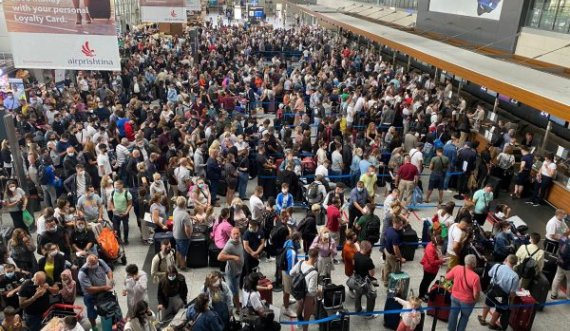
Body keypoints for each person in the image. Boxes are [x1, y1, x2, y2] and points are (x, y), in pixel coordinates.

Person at [478, 255, 519, 330]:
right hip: (500, 296)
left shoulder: (497, 266)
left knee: (488, 303)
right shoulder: (515, 276)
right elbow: (512, 293)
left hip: (492, 290)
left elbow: (489, 274)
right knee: (499, 309)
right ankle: (492, 323)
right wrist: (511, 304)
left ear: (506, 259)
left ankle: (483, 319)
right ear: (515, 263)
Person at [446, 254, 481, 331]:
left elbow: (447, 277)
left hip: (455, 297)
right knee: (464, 317)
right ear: (474, 264)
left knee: (453, 315)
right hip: (467, 301)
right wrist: (476, 300)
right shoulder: (476, 277)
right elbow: (476, 294)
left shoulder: (457, 268)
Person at [78, 254, 114, 329]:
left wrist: (110, 280)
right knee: (91, 312)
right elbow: (89, 289)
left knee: (106, 308)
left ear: (97, 260)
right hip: (90, 295)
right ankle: (94, 327)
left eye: (95, 263)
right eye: (92, 264)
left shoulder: (100, 262)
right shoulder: (82, 273)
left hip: (103, 291)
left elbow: (108, 271)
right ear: (87, 263)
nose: (94, 265)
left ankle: (107, 324)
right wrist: (104, 287)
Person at [290, 248, 319, 331]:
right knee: (307, 314)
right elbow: (311, 291)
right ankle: (304, 329)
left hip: (298, 292)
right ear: (316, 257)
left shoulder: (300, 262)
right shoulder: (314, 272)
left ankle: (298, 321)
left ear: (308, 255)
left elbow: (291, 272)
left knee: (300, 305)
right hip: (307, 296)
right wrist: (319, 291)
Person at [218, 227, 244, 310]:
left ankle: (235, 303)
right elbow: (220, 257)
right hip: (232, 273)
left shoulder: (239, 240)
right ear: (231, 235)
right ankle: (237, 308)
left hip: (238, 271)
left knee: (235, 290)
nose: (236, 235)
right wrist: (233, 257)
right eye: (234, 234)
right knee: (234, 291)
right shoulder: (229, 245)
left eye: (237, 233)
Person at [351, 240, 377, 317]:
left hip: (357, 279)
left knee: (358, 294)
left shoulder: (356, 255)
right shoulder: (368, 260)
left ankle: (358, 309)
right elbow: (372, 274)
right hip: (366, 281)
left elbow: (353, 265)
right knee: (371, 296)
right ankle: (369, 314)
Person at [280, 232, 301, 317]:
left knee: (285, 288)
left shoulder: (288, 242)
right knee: (287, 291)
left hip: (283, 269)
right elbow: (292, 270)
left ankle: (287, 301)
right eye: (299, 241)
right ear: (296, 240)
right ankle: (286, 309)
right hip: (288, 273)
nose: (299, 243)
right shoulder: (292, 252)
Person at [419, 235, 446, 301]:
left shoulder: (432, 245)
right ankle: (421, 295)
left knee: (427, 282)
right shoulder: (430, 248)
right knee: (425, 282)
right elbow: (432, 262)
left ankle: (424, 292)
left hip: (433, 268)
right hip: (429, 269)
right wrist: (441, 261)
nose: (441, 246)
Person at [383, 216, 406, 286]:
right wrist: (400, 258)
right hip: (392, 255)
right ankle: (394, 285)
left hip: (386, 251)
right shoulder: (395, 235)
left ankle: (385, 281)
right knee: (396, 270)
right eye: (400, 224)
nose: (402, 226)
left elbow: (385, 236)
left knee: (387, 267)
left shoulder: (389, 229)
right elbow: (396, 249)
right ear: (396, 223)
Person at [109, 180, 133, 245]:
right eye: (115, 186)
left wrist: (126, 212)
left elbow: (130, 204)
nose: (116, 187)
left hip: (124, 213)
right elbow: (110, 201)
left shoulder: (127, 194)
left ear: (121, 185)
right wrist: (113, 209)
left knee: (125, 228)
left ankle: (126, 239)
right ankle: (119, 240)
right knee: (116, 228)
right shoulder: (113, 192)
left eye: (117, 185)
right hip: (116, 214)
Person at [172, 196, 193, 270]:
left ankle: (178, 263)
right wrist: (189, 236)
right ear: (185, 204)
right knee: (183, 253)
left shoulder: (175, 210)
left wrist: (191, 217)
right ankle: (183, 266)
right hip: (183, 237)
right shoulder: (185, 215)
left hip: (175, 234)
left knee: (178, 249)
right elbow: (187, 229)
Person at [551, 235, 570, 300]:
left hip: (560, 263)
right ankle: (568, 297)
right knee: (569, 281)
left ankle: (553, 294)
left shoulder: (563, 239)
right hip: (568, 266)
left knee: (557, 278)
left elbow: (557, 237)